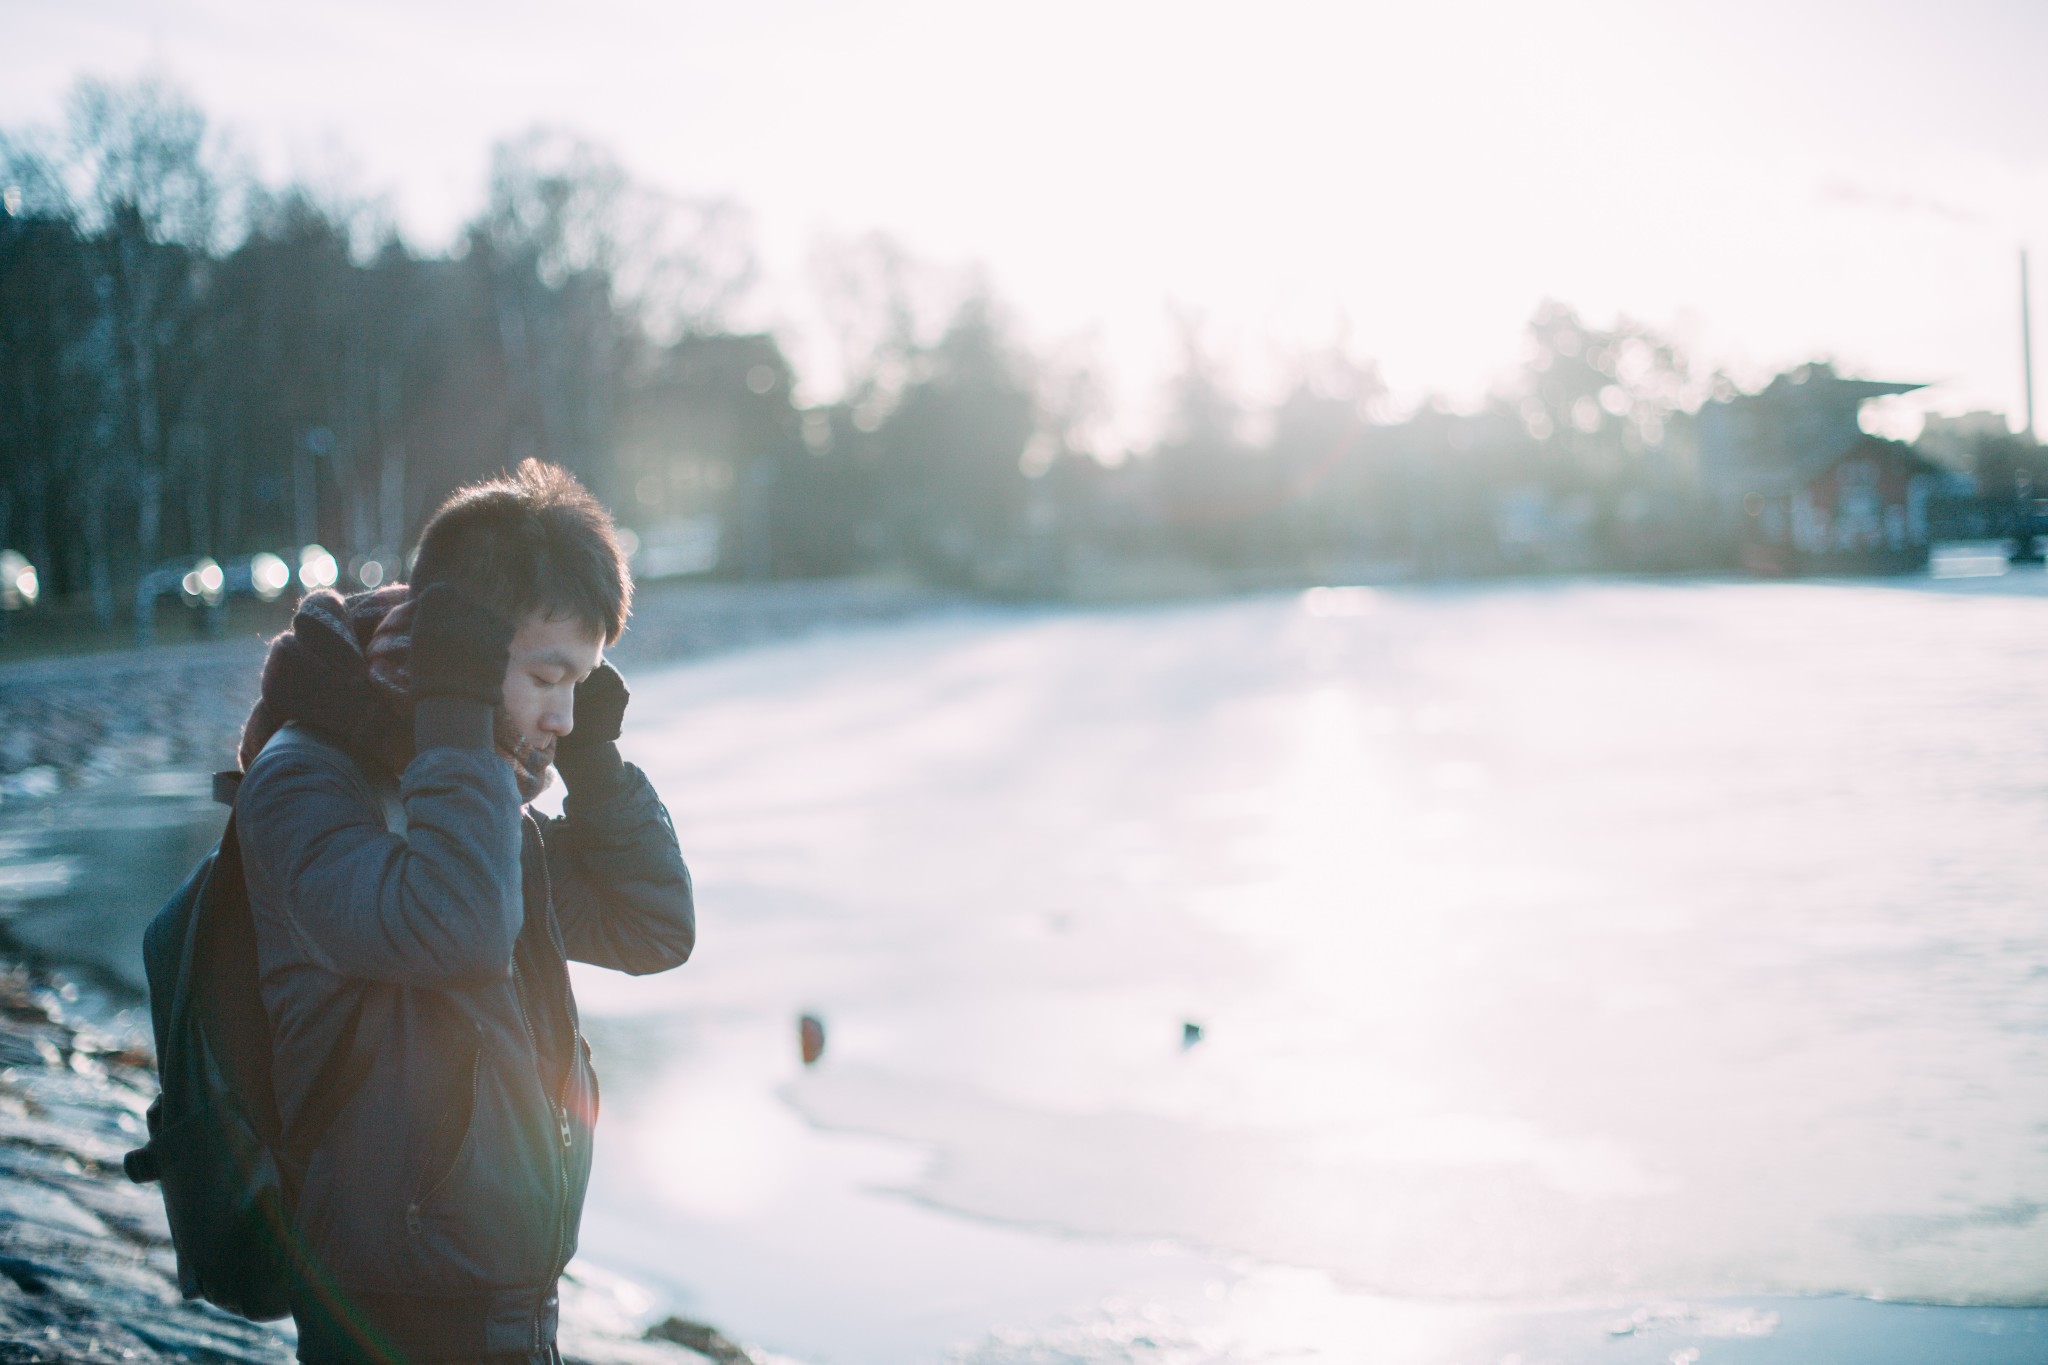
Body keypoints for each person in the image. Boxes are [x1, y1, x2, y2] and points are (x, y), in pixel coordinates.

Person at [233, 459, 694, 1365]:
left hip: (504, 1290)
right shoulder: (309, 780)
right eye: (548, 676)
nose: (564, 715)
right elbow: (458, 929)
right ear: (461, 651)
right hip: (395, 1302)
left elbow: (652, 928)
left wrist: (596, 764)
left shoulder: (479, 794)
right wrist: (454, 711)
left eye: (584, 683)